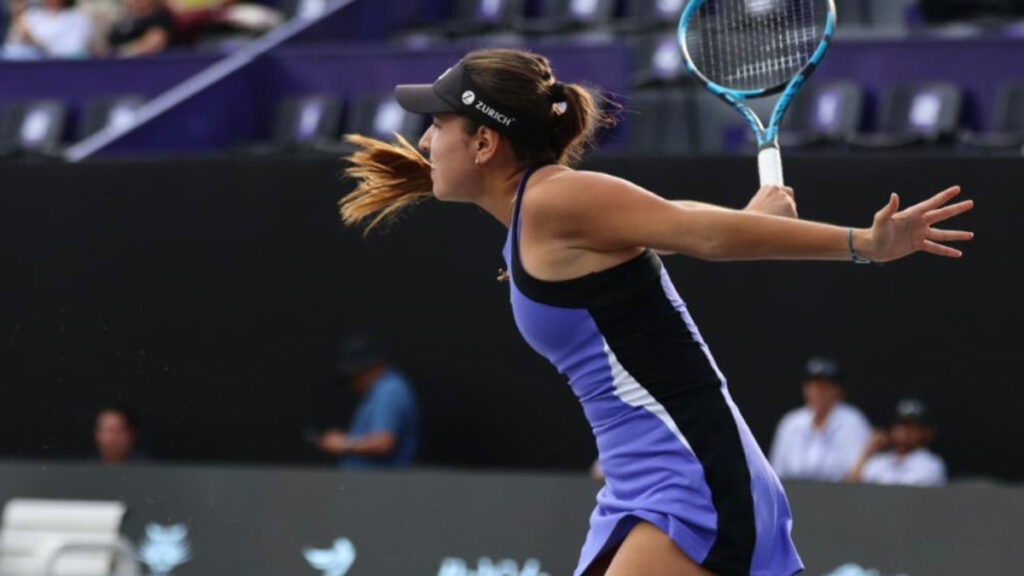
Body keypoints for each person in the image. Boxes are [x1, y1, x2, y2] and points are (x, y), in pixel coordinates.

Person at [337, 48, 973, 576]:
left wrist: (865, 243)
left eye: (437, 124)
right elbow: (680, 225)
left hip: (690, 475)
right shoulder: (545, 215)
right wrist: (745, 219)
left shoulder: (556, 200)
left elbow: (699, 233)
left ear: (484, 142)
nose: (424, 138)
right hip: (639, 485)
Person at [314, 335, 419, 469]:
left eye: (356, 374)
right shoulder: (380, 390)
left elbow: (383, 444)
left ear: (373, 367)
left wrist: (343, 443)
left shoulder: (389, 390)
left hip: (379, 485)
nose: (354, 383)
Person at [769, 357, 872, 482]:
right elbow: (776, 472)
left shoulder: (853, 421)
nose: (818, 391)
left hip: (839, 496)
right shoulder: (791, 422)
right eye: (813, 385)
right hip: (794, 495)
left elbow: (859, 474)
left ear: (839, 391)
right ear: (805, 389)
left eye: (826, 386)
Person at [847, 398, 947, 487]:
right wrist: (868, 451)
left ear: (925, 432)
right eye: (900, 424)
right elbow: (850, 487)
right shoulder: (879, 461)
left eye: (911, 426)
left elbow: (903, 495)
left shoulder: (931, 464)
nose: (904, 431)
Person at [2, 0, 92, 59]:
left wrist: (36, 42)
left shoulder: (77, 19)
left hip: (58, 69)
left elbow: (72, 50)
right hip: (25, 67)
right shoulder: (32, 15)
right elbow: (12, 46)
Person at [103, 0, 175, 57]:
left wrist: (125, 52)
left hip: (145, 66)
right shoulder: (123, 19)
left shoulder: (159, 17)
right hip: (116, 67)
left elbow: (155, 41)